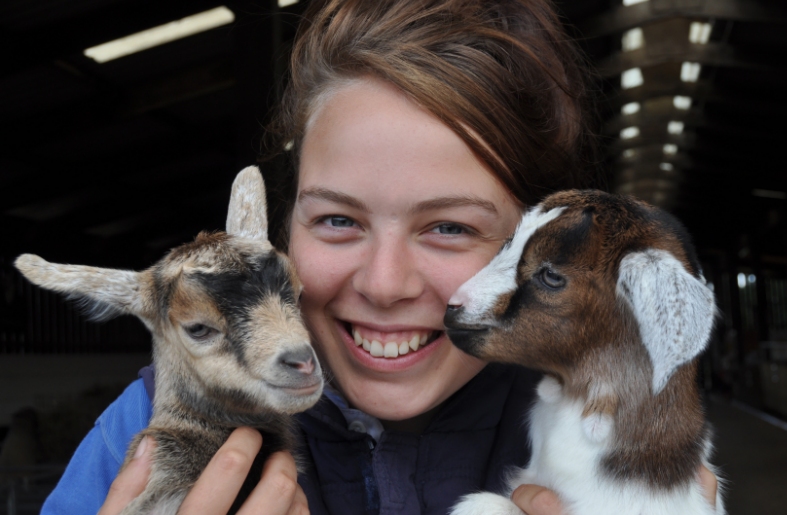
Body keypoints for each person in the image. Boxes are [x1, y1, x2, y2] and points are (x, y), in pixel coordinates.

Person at [41, 1, 717, 513]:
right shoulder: (146, 434)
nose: (384, 283)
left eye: (449, 227)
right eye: (337, 219)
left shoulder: (623, 451)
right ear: (285, 225)